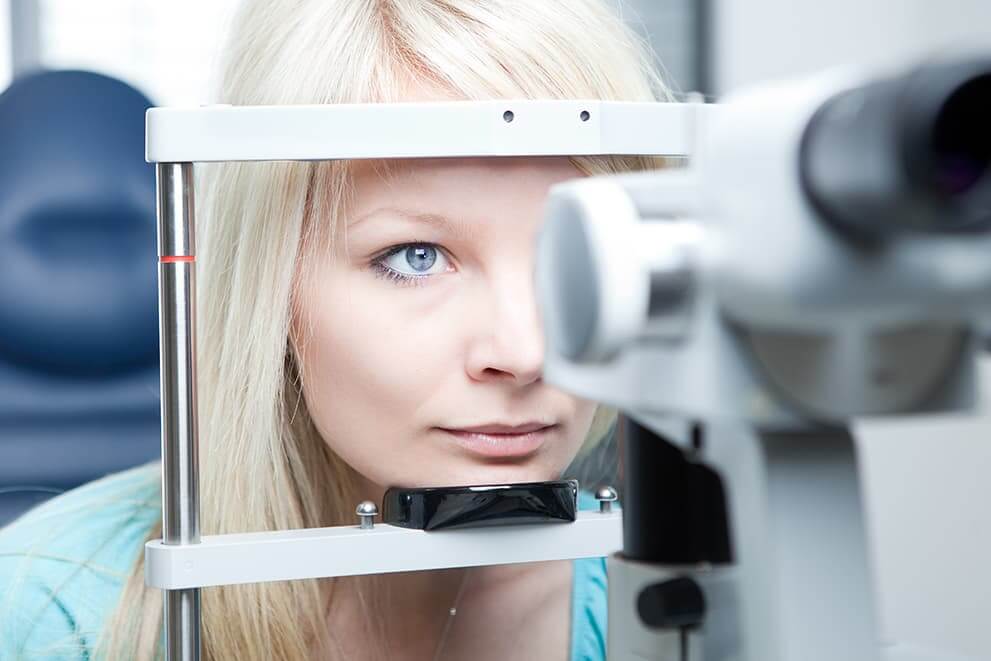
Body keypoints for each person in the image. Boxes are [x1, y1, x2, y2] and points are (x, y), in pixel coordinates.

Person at [0, 0, 671, 658]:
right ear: (272, 287)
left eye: (569, 254)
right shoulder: (49, 612)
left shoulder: (671, 598)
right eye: (417, 257)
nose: (524, 353)